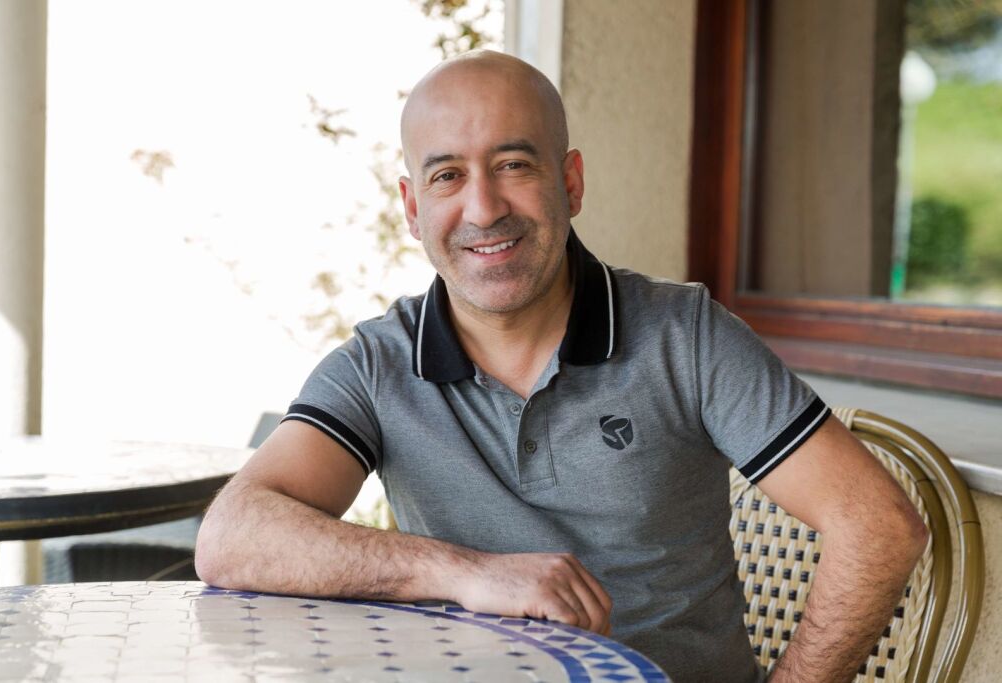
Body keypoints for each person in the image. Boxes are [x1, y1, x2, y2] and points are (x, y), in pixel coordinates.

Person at [195, 50, 928, 682]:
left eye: (513, 165)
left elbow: (879, 525)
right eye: (447, 176)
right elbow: (232, 535)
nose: (484, 208)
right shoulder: (376, 365)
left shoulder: (685, 336)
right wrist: (463, 572)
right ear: (413, 208)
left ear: (570, 183)